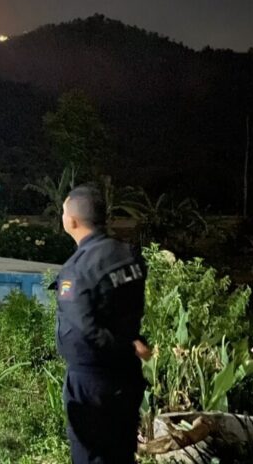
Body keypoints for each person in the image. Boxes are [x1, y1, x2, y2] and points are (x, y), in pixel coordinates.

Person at [55, 185, 150, 464]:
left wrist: (121, 347)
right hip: (127, 374)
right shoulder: (128, 254)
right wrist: (132, 345)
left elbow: (87, 330)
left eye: (63, 211)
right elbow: (129, 307)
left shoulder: (77, 269)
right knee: (121, 452)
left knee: (91, 454)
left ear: (71, 220)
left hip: (93, 381)